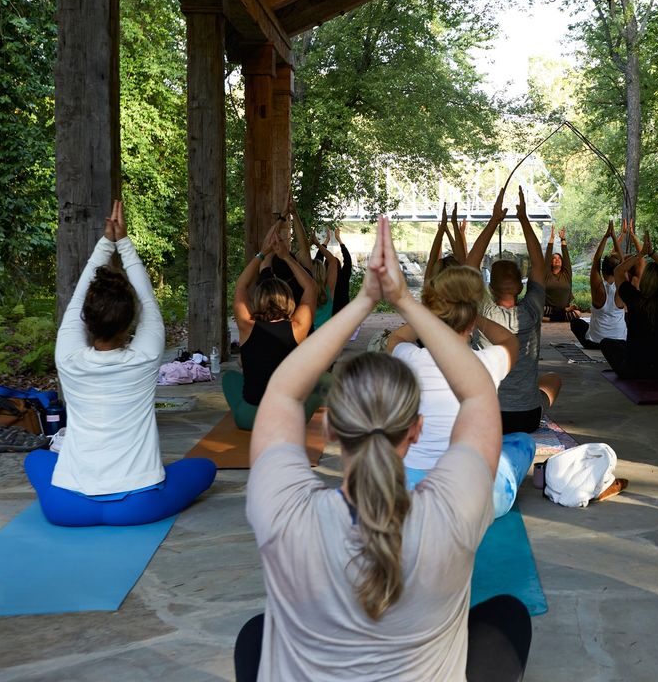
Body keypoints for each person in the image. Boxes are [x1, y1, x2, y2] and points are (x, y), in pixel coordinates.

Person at [237, 217, 531, 682]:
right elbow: (477, 395)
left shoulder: (283, 512)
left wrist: (362, 303)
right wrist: (404, 301)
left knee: (255, 635)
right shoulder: (452, 514)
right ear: (415, 430)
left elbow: (283, 394)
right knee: (509, 615)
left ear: (330, 426)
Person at [24, 201, 216, 526]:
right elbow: (148, 300)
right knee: (205, 468)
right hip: (138, 504)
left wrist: (104, 245)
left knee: (35, 459)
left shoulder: (67, 357)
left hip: (67, 507)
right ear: (131, 323)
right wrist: (122, 242)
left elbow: (77, 298)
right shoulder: (146, 356)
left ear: (86, 319)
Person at [386, 265, 533, 519]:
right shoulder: (488, 362)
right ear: (471, 320)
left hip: (410, 496)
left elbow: (395, 339)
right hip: (474, 501)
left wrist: (426, 317)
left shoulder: (409, 357)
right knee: (523, 442)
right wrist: (476, 317)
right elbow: (511, 341)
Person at [469, 186, 563, 434]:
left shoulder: (485, 311)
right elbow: (539, 267)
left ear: (490, 287)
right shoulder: (531, 310)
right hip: (526, 417)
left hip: (487, 417)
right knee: (553, 379)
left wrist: (494, 220)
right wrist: (523, 219)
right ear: (522, 287)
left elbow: (470, 264)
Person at [225, 223, 322, 431]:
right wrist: (286, 256)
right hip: (287, 419)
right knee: (315, 392)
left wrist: (262, 253)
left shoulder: (246, 326)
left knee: (229, 378)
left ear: (258, 301)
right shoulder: (298, 327)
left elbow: (241, 286)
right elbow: (311, 288)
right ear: (289, 301)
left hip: (249, 419)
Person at [601, 230, 658, 379]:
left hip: (634, 369)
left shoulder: (634, 298)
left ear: (644, 279)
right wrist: (652, 253)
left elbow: (619, 271)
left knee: (607, 343)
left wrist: (641, 255)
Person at [570, 220, 628, 349]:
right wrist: (614, 237)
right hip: (620, 342)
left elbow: (596, 259)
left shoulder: (598, 287)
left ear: (603, 269)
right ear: (620, 269)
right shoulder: (623, 287)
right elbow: (623, 262)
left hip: (594, 343)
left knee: (575, 322)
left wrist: (606, 236)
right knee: (628, 317)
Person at [543, 226, 577, 321]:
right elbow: (547, 257)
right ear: (550, 262)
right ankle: (563, 313)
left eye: (559, 258)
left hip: (559, 309)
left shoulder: (567, 274)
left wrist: (563, 239)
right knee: (537, 310)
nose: (557, 260)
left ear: (562, 263)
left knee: (577, 314)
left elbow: (566, 256)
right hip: (548, 309)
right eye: (554, 258)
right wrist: (552, 238)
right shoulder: (547, 274)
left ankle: (550, 319)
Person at [309, 237, 341, 330]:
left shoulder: (303, 291)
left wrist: (308, 245)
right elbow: (333, 261)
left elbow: (296, 260)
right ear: (323, 273)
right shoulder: (328, 290)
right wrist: (318, 245)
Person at [331, 226, 354, 316]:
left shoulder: (323, 278)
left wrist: (320, 244)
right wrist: (339, 240)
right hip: (343, 313)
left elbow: (318, 260)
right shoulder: (343, 276)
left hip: (329, 315)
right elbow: (348, 260)